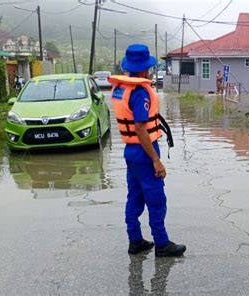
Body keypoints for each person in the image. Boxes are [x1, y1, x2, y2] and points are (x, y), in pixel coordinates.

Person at [108, 44, 186, 257]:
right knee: (156, 198)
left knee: (134, 196)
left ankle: (135, 241)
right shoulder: (140, 92)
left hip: (130, 152)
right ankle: (162, 244)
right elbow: (141, 129)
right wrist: (156, 160)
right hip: (145, 151)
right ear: (144, 68)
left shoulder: (121, 88)